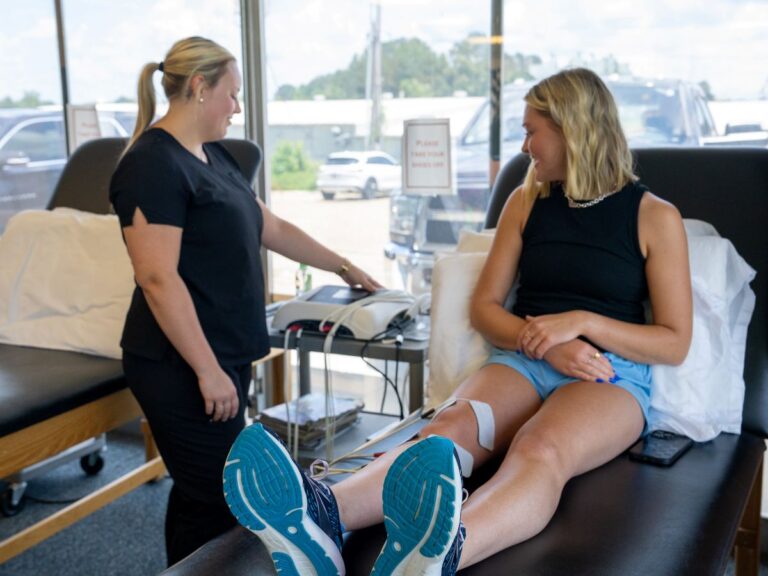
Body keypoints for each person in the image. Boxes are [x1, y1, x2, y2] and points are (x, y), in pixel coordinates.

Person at [222, 67, 693, 575]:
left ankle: (439, 554)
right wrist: (546, 344)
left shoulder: (653, 217)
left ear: (571, 127)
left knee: (541, 447)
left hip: (609, 373)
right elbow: (486, 308)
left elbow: (674, 342)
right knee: (448, 425)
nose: (525, 144)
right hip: (527, 357)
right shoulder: (527, 201)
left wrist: (580, 323)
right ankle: (321, 518)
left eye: (532, 130)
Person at [109, 36, 381, 566]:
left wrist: (344, 266)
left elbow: (269, 224)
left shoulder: (213, 155)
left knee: (203, 493)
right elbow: (157, 279)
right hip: (178, 363)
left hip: (219, 355)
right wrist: (208, 370)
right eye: (231, 95)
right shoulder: (151, 166)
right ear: (199, 87)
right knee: (219, 495)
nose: (237, 107)